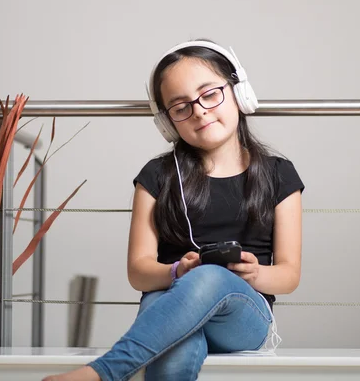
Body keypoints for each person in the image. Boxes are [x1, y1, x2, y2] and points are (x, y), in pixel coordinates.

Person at [44, 39, 305, 381]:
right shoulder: (157, 176)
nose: (199, 111)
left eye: (210, 94)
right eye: (181, 107)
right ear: (168, 123)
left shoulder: (279, 174)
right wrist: (177, 273)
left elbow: (289, 276)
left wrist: (254, 274)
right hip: (170, 301)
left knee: (210, 276)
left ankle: (104, 373)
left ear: (239, 93)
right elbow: (139, 272)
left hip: (243, 316)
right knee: (173, 355)